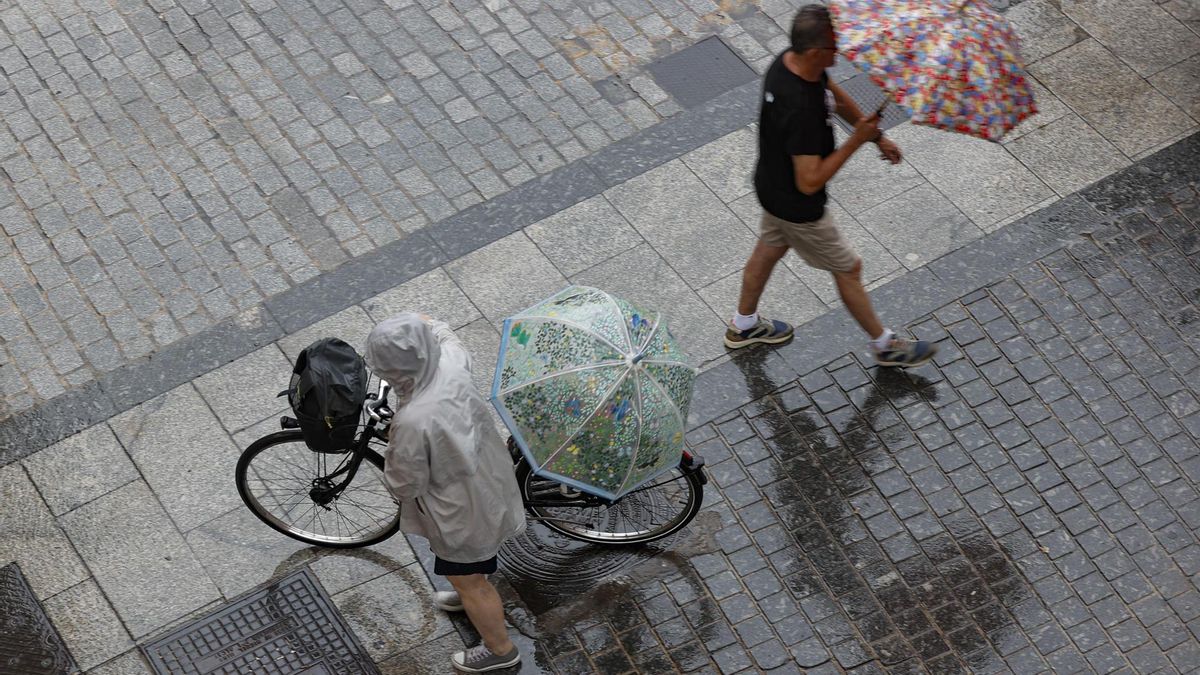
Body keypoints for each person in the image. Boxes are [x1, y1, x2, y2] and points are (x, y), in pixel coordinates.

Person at [725, 4, 936, 368]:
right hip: (797, 206)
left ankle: (743, 326)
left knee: (769, 249)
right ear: (814, 51)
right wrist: (858, 140)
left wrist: (876, 136)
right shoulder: (800, 109)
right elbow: (809, 182)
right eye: (833, 47)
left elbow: (834, 98)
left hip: (771, 186)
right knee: (848, 268)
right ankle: (885, 346)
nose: (839, 52)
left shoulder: (790, 64)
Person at [364, 313, 526, 673]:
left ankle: (499, 650)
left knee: (468, 576)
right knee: (473, 570)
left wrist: (393, 451)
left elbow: (405, 483)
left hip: (460, 511)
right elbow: (445, 333)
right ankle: (471, 593)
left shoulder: (414, 420)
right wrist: (427, 322)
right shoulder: (451, 363)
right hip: (489, 479)